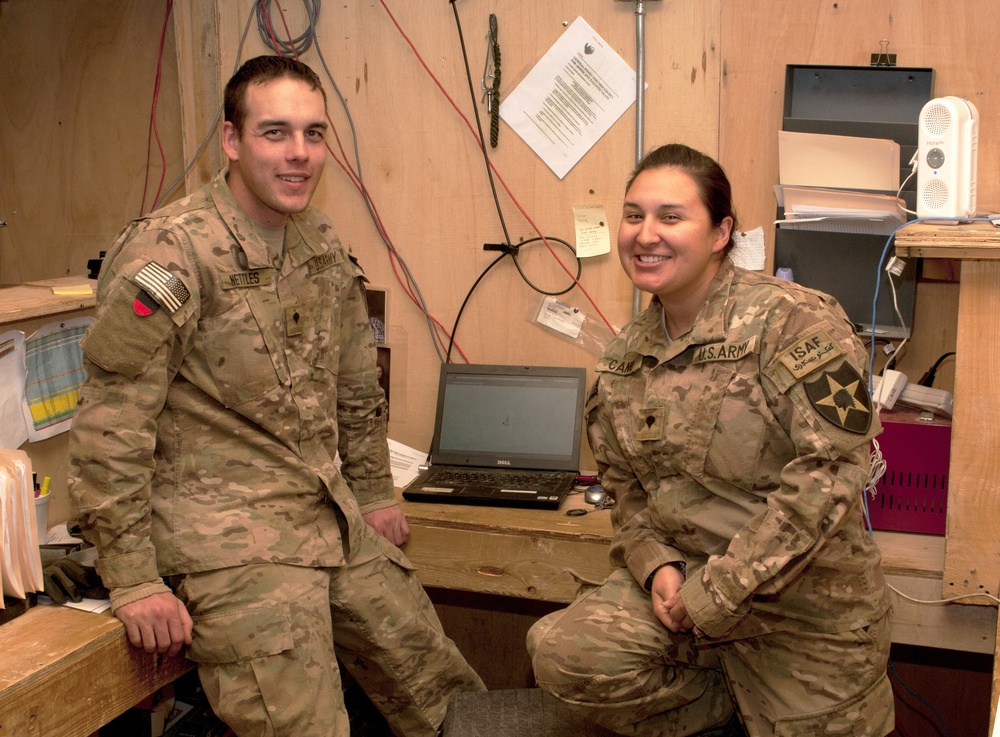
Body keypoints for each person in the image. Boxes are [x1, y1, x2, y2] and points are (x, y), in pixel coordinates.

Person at [67, 54, 484, 737]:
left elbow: (354, 381)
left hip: (325, 514)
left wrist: (375, 491)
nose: (299, 155)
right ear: (231, 140)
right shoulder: (174, 253)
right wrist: (133, 577)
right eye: (275, 133)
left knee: (445, 692)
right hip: (229, 544)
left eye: (314, 134)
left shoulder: (316, 239)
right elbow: (112, 424)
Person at [527, 144, 894, 737]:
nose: (646, 235)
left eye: (672, 217)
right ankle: (726, 704)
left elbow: (832, 473)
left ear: (721, 232)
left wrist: (719, 592)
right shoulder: (624, 358)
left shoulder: (793, 321)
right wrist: (655, 566)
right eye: (634, 215)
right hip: (684, 600)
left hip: (801, 612)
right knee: (564, 655)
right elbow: (625, 488)